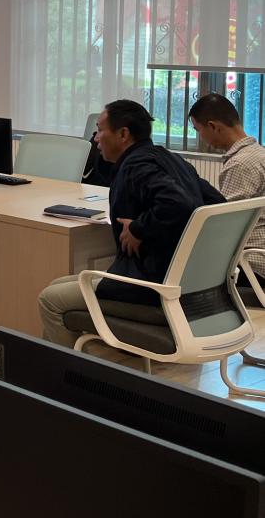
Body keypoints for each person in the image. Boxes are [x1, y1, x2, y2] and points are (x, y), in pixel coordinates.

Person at [38, 99, 224, 348]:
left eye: (100, 130)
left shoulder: (137, 165)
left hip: (150, 289)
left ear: (123, 134)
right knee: (58, 285)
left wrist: (139, 228)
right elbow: (217, 204)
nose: (96, 139)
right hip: (188, 287)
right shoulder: (171, 159)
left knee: (50, 299)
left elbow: (179, 203)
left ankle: (70, 370)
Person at [188, 93, 265, 291]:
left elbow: (227, 227)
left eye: (198, 130)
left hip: (252, 264)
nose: (201, 138)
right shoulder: (259, 153)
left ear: (213, 126)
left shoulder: (240, 164)